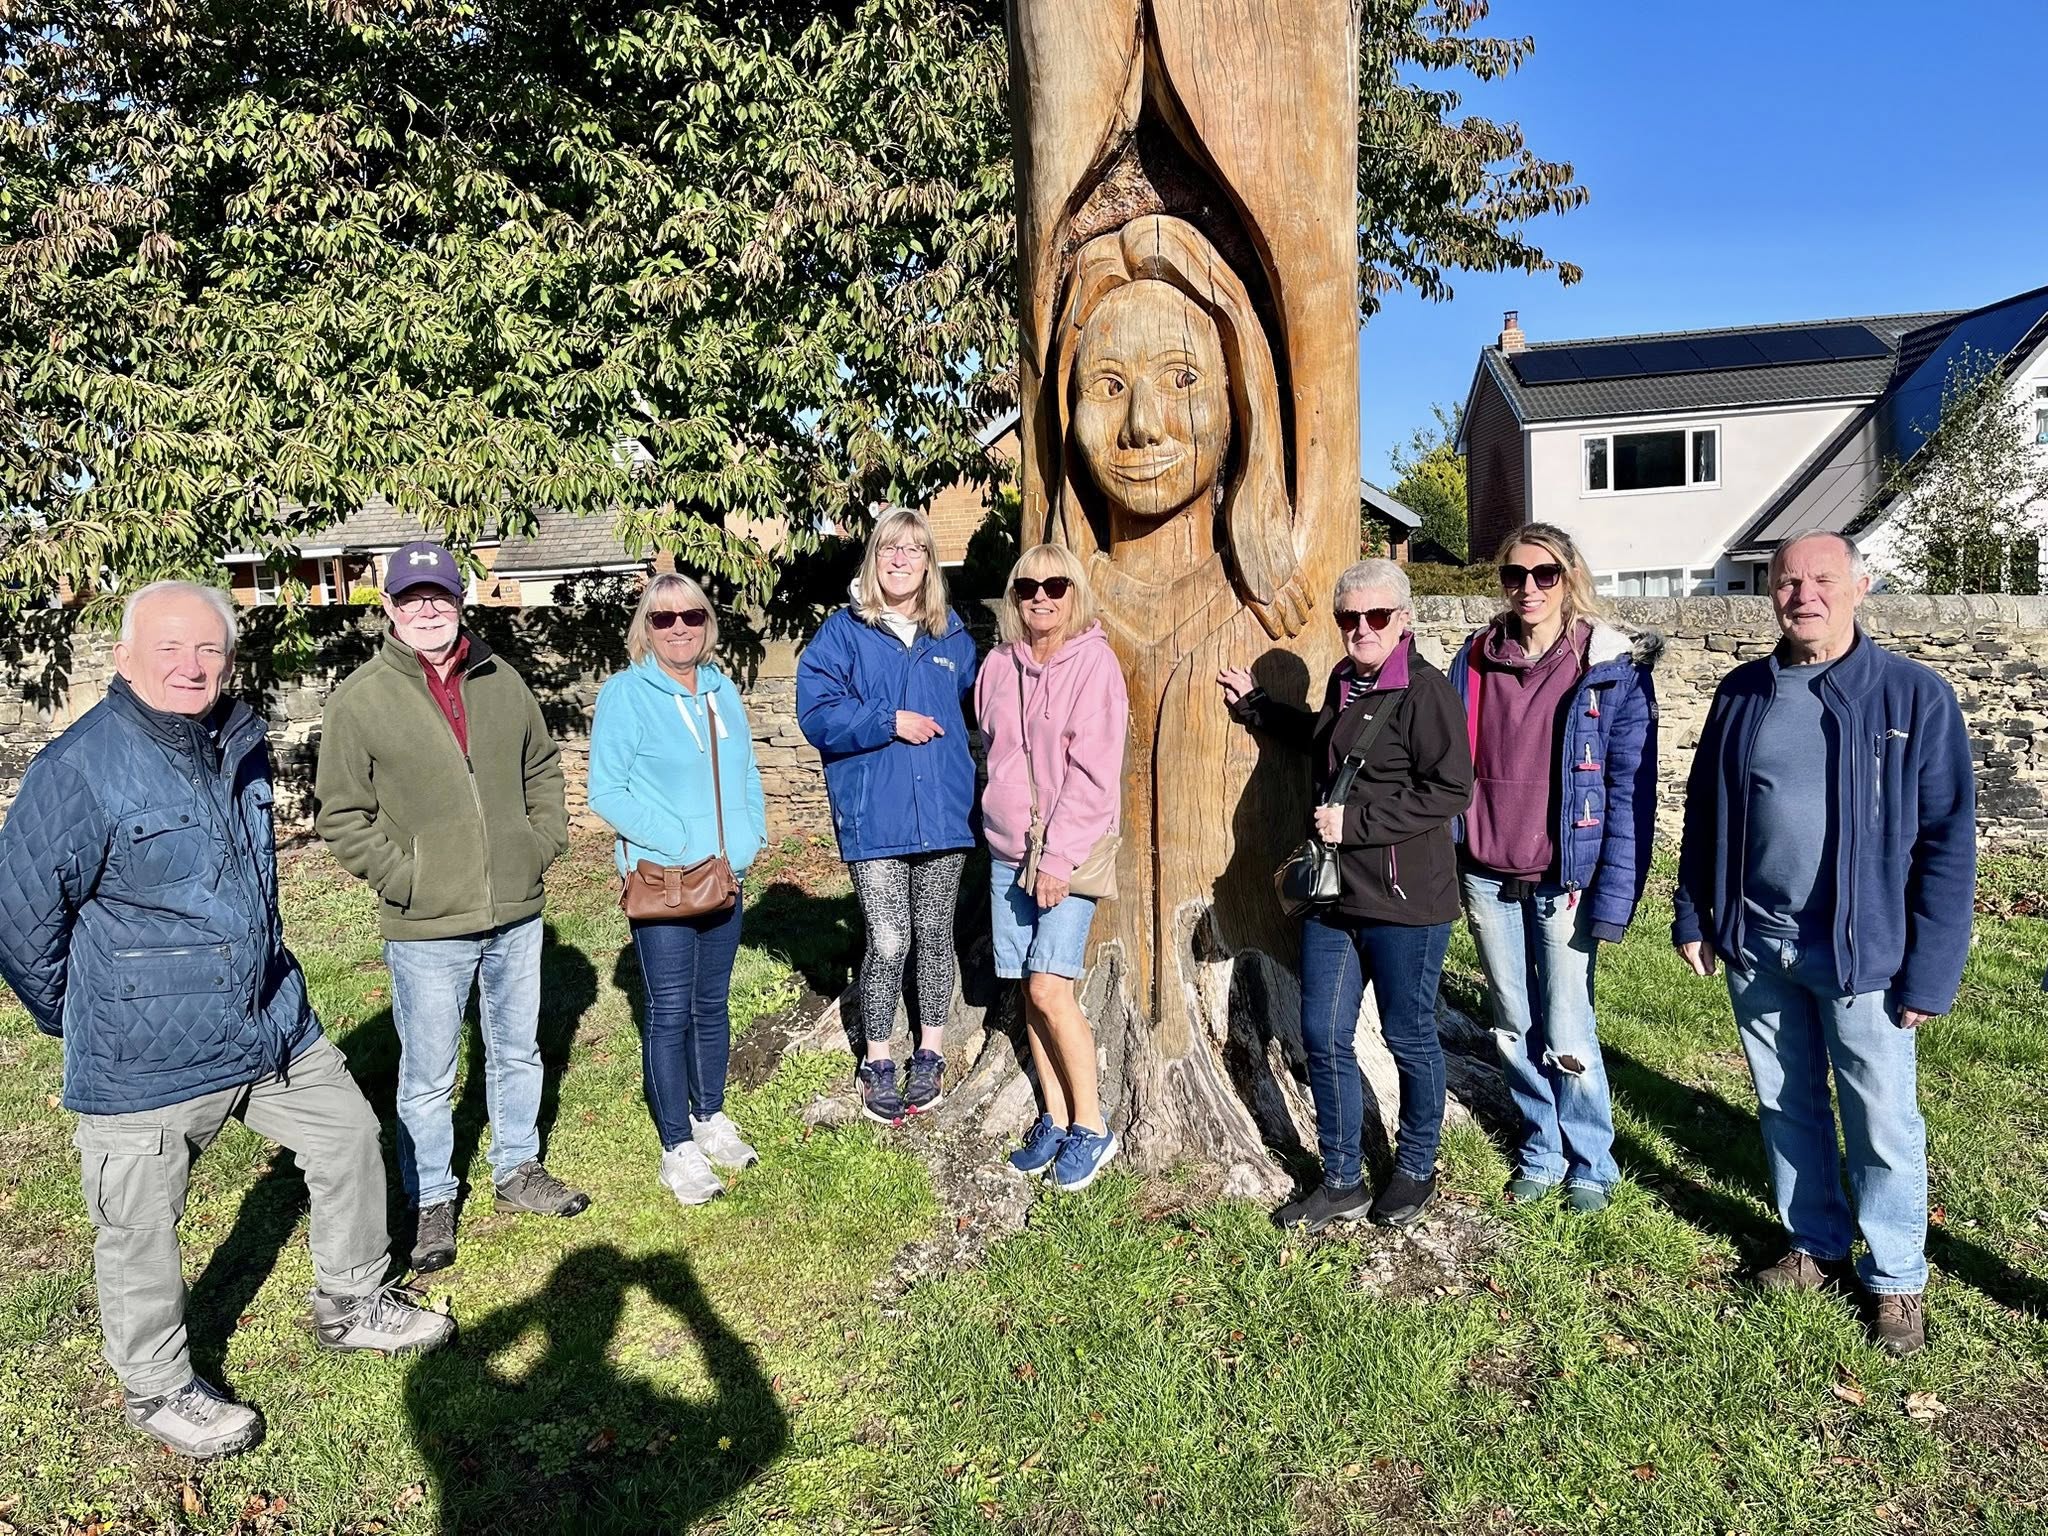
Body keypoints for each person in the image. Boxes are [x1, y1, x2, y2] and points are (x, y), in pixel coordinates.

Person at [0, 582, 451, 1461]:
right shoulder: (78, 771)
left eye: (208, 650)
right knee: (139, 1225)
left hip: (267, 1021)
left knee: (350, 1136)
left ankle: (352, 1299)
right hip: (146, 1056)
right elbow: (20, 922)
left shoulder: (236, 742)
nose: (191, 667)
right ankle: (158, 1386)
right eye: (169, 649)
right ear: (125, 658)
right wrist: (92, 1011)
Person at [1673, 530, 1975, 1356]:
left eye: (1822, 580)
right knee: (1786, 1103)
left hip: (1863, 952)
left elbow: (1948, 841)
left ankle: (1896, 1277)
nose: (1803, 594)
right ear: (1769, 592)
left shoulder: (1912, 697)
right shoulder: (1742, 693)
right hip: (1759, 943)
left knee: (1880, 1117)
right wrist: (1695, 914)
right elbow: (1706, 816)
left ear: (1860, 587)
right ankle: (1816, 1243)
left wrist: (1932, 969)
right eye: (1787, 581)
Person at [314, 540, 583, 1277]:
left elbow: (542, 767)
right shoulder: (361, 700)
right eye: (411, 598)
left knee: (518, 1050)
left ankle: (518, 1167)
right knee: (429, 1071)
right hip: (426, 924)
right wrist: (407, 879)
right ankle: (432, 1197)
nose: (426, 609)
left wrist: (540, 843)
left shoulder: (501, 679)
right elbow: (342, 815)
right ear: (391, 610)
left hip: (516, 911)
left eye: (437, 595)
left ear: (458, 600)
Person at [1219, 559, 1473, 1232]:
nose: (1361, 629)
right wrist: (1258, 709)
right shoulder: (1345, 680)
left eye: (1376, 617)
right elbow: (1329, 741)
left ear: (1404, 620)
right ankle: (1341, 1180)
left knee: (1408, 1036)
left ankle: (1415, 1168)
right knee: (1323, 1035)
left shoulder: (1427, 693)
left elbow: (1451, 790)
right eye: (1349, 618)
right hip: (1334, 900)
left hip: (1405, 903)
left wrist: (1355, 824)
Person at [1447, 523, 1659, 1215]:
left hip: (1564, 879)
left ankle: (1591, 1160)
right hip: (1486, 872)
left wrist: (1615, 895)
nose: (1528, 588)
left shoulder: (1607, 667)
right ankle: (1540, 1145)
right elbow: (1446, 759)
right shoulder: (1476, 658)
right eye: (1514, 575)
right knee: (1510, 1022)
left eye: (1544, 575)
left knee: (1567, 1024)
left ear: (1570, 578)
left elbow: (1630, 788)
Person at [588, 573, 768, 1206]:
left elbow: (745, 771)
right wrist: (680, 842)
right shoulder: (626, 695)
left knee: (712, 1004)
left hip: (726, 875)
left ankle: (709, 1114)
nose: (680, 628)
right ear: (647, 628)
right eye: (663, 619)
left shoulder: (723, 693)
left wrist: (748, 839)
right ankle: (677, 1147)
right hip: (664, 879)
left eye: (691, 615)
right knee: (669, 1012)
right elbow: (607, 792)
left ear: (708, 622)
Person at [796, 510, 978, 1124]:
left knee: (933, 937)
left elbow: (986, 710)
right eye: (889, 549)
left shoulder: (953, 637)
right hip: (875, 817)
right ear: (873, 559)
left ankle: (929, 1050)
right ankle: (877, 1059)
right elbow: (817, 714)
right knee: (888, 938)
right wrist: (887, 720)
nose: (901, 559)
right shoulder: (842, 634)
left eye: (915, 549)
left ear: (930, 562)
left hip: (944, 816)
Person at [977, 543, 1129, 1192]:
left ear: (1075, 594)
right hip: (1006, 849)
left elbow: (1096, 774)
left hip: (1068, 852)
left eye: (1055, 586)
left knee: (1048, 987)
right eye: (1027, 586)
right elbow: (993, 750)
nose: (1041, 596)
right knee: (1024, 988)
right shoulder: (997, 667)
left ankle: (1093, 1126)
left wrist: (1058, 856)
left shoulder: (1095, 666)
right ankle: (1057, 1116)